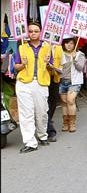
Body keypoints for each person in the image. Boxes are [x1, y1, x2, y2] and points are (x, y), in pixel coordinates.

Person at [13, 22, 55, 153]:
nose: (33, 33)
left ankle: (42, 135)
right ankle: (30, 142)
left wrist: (48, 63)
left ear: (40, 32)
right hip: (24, 83)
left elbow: (51, 69)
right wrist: (22, 64)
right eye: (30, 31)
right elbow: (15, 67)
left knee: (42, 112)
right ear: (28, 33)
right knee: (26, 114)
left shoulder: (47, 47)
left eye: (35, 31)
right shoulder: (21, 47)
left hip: (41, 83)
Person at [59, 36, 86, 133]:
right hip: (62, 81)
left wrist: (74, 58)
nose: (69, 45)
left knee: (70, 101)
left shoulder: (80, 54)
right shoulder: (60, 53)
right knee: (64, 102)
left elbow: (81, 68)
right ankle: (65, 123)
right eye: (66, 43)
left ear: (75, 44)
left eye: (71, 43)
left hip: (74, 82)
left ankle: (72, 124)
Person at [46, 42, 63, 141]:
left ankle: (48, 120)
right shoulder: (43, 46)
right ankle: (49, 127)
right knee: (45, 103)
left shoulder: (59, 48)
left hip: (55, 78)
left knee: (53, 102)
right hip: (44, 79)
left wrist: (55, 68)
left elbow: (62, 67)